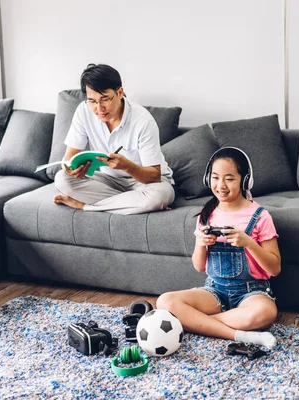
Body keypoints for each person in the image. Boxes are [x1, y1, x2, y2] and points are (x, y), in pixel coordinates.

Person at [156, 147, 281, 349]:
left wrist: (248, 242)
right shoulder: (207, 215)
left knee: (266, 313)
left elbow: (274, 269)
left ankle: (198, 322)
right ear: (208, 179)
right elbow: (198, 266)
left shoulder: (260, 216)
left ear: (245, 180)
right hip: (215, 291)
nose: (221, 185)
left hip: (251, 293)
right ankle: (241, 335)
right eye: (215, 178)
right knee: (165, 301)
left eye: (229, 179)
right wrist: (201, 244)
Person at [53, 63, 175, 214]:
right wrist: (71, 169)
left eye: (105, 99)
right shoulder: (83, 111)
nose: (99, 108)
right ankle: (128, 203)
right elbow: (69, 157)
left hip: (147, 183)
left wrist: (127, 166)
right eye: (92, 101)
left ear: (120, 92)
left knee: (160, 196)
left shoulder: (143, 121)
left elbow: (154, 175)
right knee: (62, 179)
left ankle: (84, 206)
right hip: (108, 181)